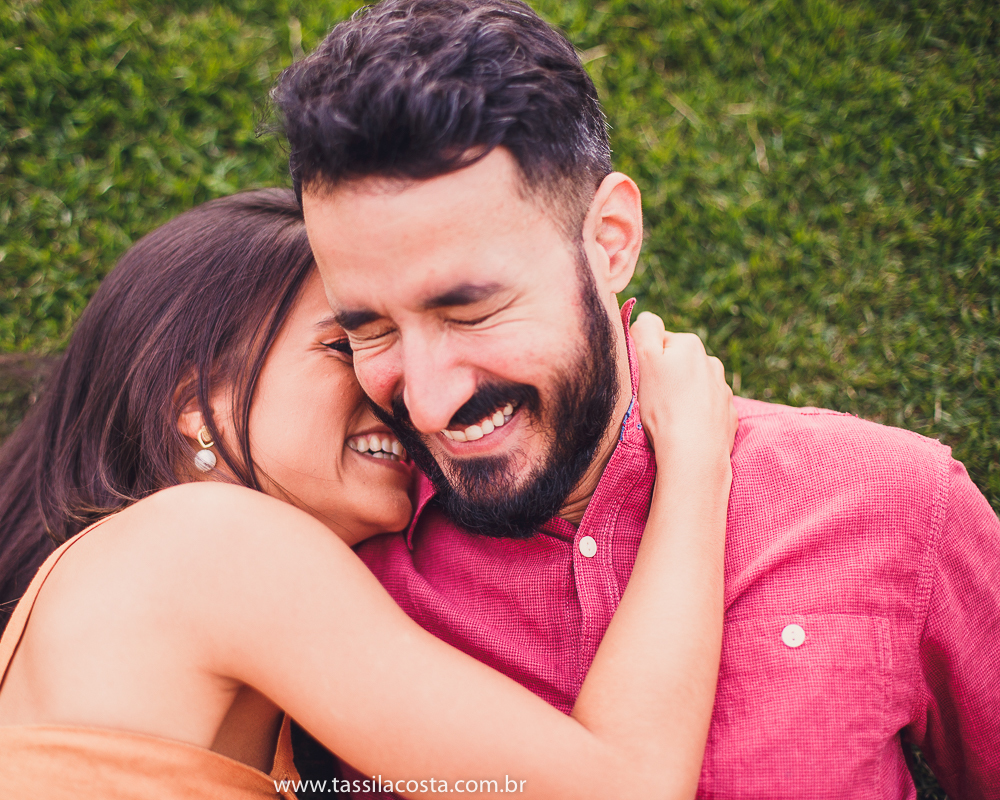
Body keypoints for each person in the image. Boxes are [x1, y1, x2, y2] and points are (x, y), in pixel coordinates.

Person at [270, 0, 1000, 797]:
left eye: (470, 310)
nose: (431, 401)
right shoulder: (336, 581)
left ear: (610, 239)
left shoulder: (895, 503)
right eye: (369, 331)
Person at [0, 189, 739, 798]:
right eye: (349, 342)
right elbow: (620, 791)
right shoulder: (221, 546)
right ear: (189, 404)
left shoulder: (119, 578)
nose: (400, 388)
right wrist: (695, 465)